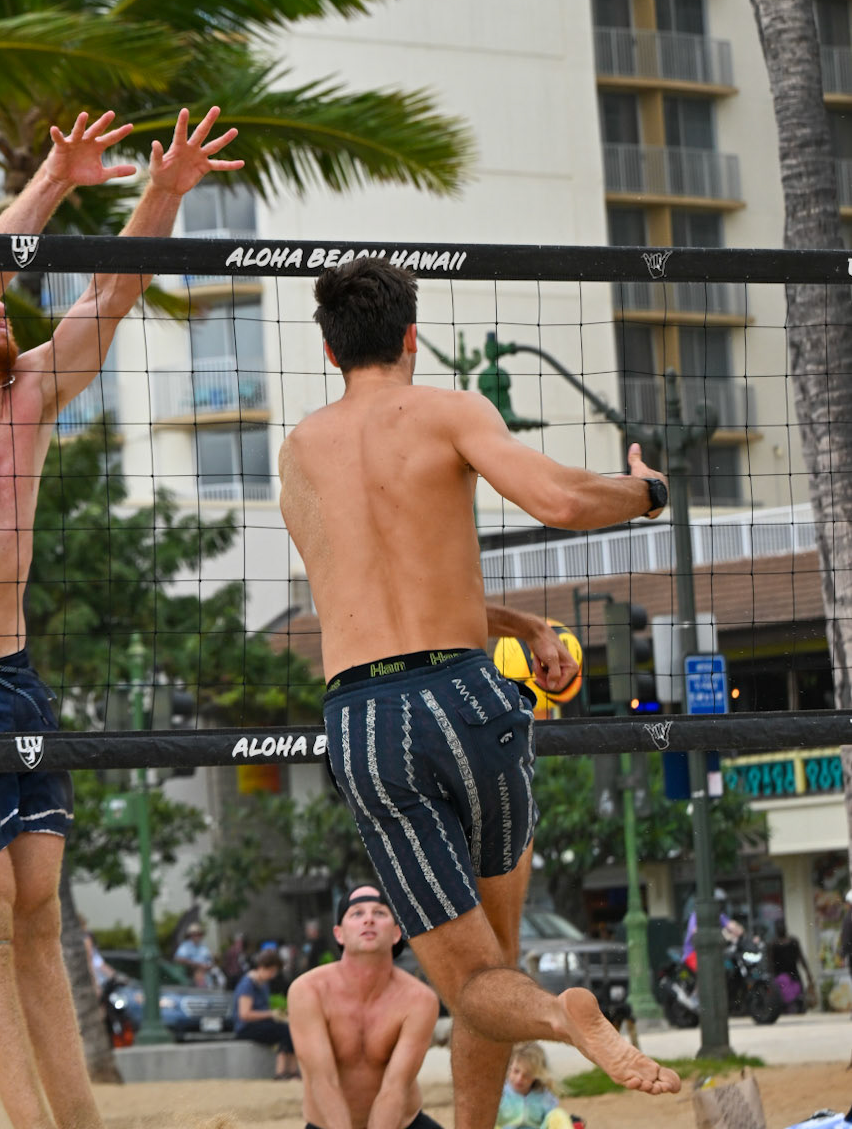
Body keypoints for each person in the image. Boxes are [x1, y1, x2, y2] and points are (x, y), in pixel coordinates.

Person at [0, 105, 242, 1129]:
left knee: (41, 921)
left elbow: (115, 290)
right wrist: (55, 176)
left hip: (15, 676)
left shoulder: (32, 390)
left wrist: (162, 188)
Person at [278, 260, 683, 1129]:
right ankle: (545, 1026)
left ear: (326, 349)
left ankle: (551, 1016)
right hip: (468, 697)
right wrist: (646, 493)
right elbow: (559, 501)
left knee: (474, 982)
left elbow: (356, 586)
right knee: (494, 963)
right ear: (410, 337)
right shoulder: (450, 409)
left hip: (368, 717)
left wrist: (523, 624)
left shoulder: (300, 449)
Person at [287, 883, 442, 1129]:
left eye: (379, 913)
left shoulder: (419, 998)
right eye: (357, 913)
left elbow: (396, 1086)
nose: (368, 919)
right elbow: (323, 1080)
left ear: (395, 933)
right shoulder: (308, 991)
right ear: (339, 933)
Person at [234, 949, 298, 1078]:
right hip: (246, 1027)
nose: (272, 975)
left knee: (291, 1027)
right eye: (271, 971)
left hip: (260, 1024)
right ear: (262, 967)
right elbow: (244, 1014)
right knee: (284, 1031)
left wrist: (280, 1015)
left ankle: (291, 1071)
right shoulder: (247, 984)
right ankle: (282, 1071)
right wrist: (271, 1014)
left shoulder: (263, 984)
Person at [496, 1045, 573, 1129]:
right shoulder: (500, 1094)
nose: (519, 1078)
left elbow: (552, 1119)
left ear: (536, 1076)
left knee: (558, 1114)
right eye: (516, 1071)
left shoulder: (543, 1096)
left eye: (527, 1075)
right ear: (509, 1068)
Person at [767, 918, 814, 1009]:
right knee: (786, 1001)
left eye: (782, 926)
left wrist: (808, 973)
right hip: (781, 976)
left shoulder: (792, 941)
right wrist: (771, 978)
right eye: (779, 927)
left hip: (792, 975)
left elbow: (801, 958)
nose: (781, 928)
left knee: (797, 999)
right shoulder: (773, 944)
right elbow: (770, 962)